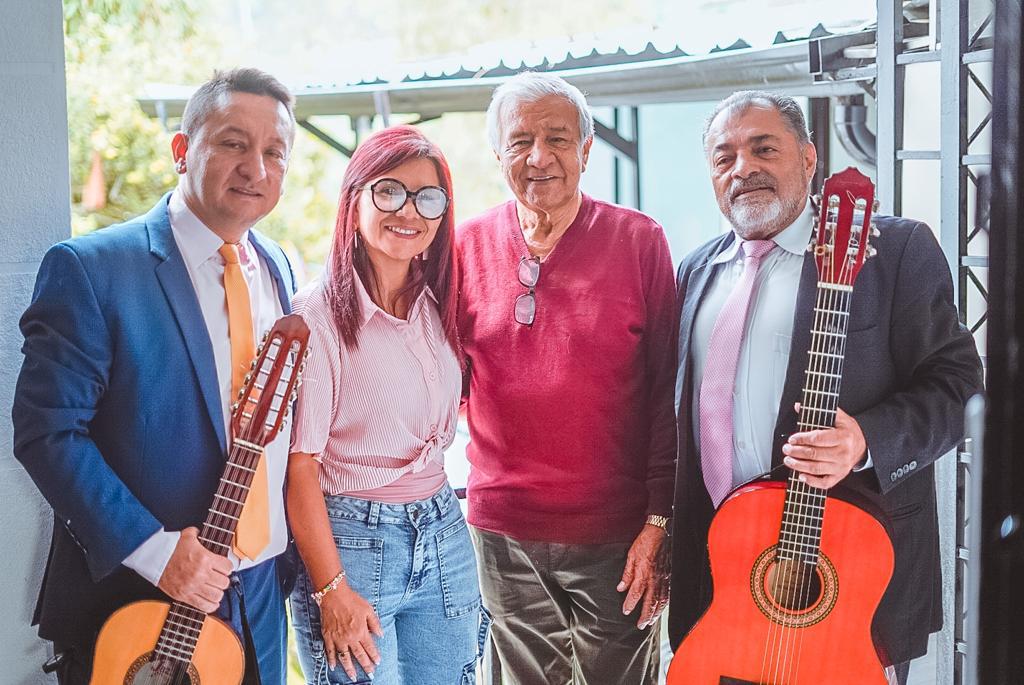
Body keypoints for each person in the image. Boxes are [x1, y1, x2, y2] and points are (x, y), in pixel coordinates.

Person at [668, 90, 984, 684]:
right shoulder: (695, 270)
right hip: (725, 574)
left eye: (765, 148)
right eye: (724, 156)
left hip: (847, 578)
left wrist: (866, 439)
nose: (744, 168)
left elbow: (960, 384)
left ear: (809, 160)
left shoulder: (895, 252)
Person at [12, 67, 298, 684]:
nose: (256, 167)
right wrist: (159, 553)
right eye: (232, 143)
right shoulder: (91, 269)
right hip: (136, 602)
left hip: (262, 603)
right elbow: (46, 431)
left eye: (274, 151)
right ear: (181, 150)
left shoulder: (277, 267)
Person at [456, 71, 677, 684]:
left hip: (618, 530)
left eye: (557, 139)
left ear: (586, 149)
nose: (539, 157)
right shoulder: (463, 245)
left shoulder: (639, 240)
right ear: (497, 152)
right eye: (520, 140)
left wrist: (661, 519)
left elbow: (669, 392)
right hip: (503, 530)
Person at [287, 125, 487, 685]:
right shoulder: (317, 315)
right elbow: (300, 466)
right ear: (354, 201)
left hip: (444, 527)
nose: (409, 211)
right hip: (353, 540)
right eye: (389, 191)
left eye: (428, 198)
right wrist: (331, 589)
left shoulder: (438, 300)